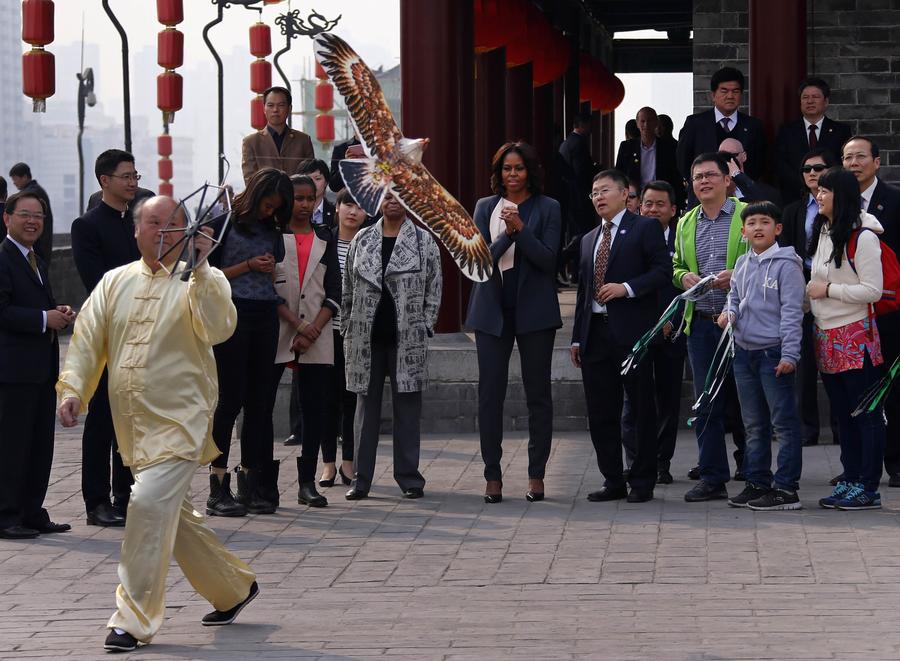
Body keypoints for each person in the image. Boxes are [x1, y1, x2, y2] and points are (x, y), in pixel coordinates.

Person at [56, 195, 259, 653]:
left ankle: (132, 620)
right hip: (134, 426)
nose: (162, 231)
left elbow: (219, 326)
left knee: (145, 505)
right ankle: (233, 588)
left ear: (189, 231)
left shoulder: (201, 281)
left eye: (173, 223)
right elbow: (88, 341)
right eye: (153, 223)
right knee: (171, 515)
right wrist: (73, 390)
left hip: (181, 420)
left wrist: (203, 267)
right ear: (136, 231)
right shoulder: (114, 282)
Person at [465, 142, 562, 504]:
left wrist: (522, 230)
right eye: (506, 168)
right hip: (491, 310)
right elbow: (477, 261)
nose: (513, 174)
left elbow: (548, 260)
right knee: (490, 394)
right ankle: (493, 476)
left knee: (538, 395)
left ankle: (536, 475)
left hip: (535, 311)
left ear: (530, 171)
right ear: (498, 173)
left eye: (519, 168)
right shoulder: (485, 207)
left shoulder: (548, 207)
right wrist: (507, 233)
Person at [571, 169, 671, 504]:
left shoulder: (644, 227)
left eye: (604, 191)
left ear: (625, 193)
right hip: (594, 335)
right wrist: (576, 338)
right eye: (594, 192)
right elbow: (584, 293)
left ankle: (642, 480)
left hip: (632, 334)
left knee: (640, 407)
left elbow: (662, 272)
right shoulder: (588, 239)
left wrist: (626, 288)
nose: (598, 197)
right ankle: (612, 479)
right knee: (600, 411)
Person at [342, 189, 442, 500]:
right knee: (364, 410)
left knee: (408, 409)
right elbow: (347, 285)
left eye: (399, 195)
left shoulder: (424, 241)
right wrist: (347, 323)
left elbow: (434, 286)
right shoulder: (362, 239)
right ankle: (361, 479)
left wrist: (426, 322)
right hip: (365, 337)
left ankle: (409, 478)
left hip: (407, 339)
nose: (393, 200)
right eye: (386, 196)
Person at [207, 168, 293, 517]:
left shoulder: (273, 230)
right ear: (255, 195)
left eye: (275, 209)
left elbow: (276, 272)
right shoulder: (223, 221)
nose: (270, 213)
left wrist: (269, 267)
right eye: (267, 205)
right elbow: (206, 275)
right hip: (232, 314)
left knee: (259, 403)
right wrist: (247, 265)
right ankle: (217, 486)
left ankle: (251, 483)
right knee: (230, 401)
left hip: (265, 314)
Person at [71, 149, 143, 528]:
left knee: (131, 417)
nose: (133, 182)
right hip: (108, 331)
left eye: (135, 175)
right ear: (105, 181)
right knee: (101, 418)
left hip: (142, 332)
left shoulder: (138, 222)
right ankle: (96, 500)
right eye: (126, 176)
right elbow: (96, 282)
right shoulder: (88, 225)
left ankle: (127, 493)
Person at [808, 168, 887, 510]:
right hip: (826, 335)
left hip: (855, 335)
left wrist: (828, 290)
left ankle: (868, 486)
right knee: (842, 414)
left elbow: (872, 290)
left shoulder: (864, 236)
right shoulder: (824, 230)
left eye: (824, 191)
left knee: (865, 413)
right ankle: (851, 478)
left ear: (841, 194)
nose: (818, 196)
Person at [718, 201, 805, 510]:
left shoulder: (787, 265)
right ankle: (757, 483)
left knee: (783, 423)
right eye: (751, 223)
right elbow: (735, 297)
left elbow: (793, 313)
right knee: (753, 424)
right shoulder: (741, 263)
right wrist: (728, 313)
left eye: (764, 222)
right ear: (743, 231)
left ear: (777, 228)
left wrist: (790, 355)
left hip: (774, 354)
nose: (757, 227)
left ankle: (786, 489)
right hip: (743, 353)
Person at [672, 152, 749, 502]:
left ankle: (754, 472)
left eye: (710, 175)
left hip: (743, 322)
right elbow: (674, 264)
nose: (703, 181)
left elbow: (767, 255)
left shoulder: (748, 215)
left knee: (750, 401)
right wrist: (682, 276)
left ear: (726, 179)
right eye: (697, 176)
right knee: (706, 402)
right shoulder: (686, 221)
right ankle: (713, 476)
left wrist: (738, 275)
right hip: (702, 324)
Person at [0, 191, 73, 539]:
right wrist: (45, 319)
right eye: (25, 215)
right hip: (12, 371)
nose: (32, 222)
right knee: (12, 445)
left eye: (39, 217)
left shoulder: (36, 260)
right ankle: (6, 514)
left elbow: (36, 306)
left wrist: (58, 312)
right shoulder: (2, 258)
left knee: (39, 444)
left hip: (41, 369)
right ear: (7, 218)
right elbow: (2, 312)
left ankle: (32, 510)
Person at [266, 175, 340, 508]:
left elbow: (335, 291)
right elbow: (266, 289)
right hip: (279, 330)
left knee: (315, 410)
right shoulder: (272, 237)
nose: (305, 204)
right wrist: (296, 325)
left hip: (318, 333)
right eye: (298, 198)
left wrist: (312, 329)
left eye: (311, 198)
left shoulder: (327, 237)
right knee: (262, 407)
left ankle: (307, 482)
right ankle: (261, 481)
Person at [841, 137, 900, 487]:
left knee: (891, 387)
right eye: (848, 157)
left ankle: (895, 461)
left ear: (877, 162)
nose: (854, 163)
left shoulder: (894, 200)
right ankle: (861, 466)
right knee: (859, 390)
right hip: (850, 311)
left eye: (860, 156)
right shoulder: (835, 204)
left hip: (889, 307)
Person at [621, 181, 687, 485]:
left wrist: (670, 319)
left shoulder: (682, 238)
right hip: (636, 332)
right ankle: (634, 460)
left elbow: (678, 284)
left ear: (673, 210)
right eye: (647, 203)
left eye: (660, 204)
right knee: (632, 399)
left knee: (667, 399)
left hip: (673, 329)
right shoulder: (628, 237)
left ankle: (661, 461)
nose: (652, 209)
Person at [779, 148, 837, 447]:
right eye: (806, 169)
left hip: (834, 291)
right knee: (802, 364)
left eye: (818, 167)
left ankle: (840, 429)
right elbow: (787, 251)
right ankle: (806, 428)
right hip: (802, 289)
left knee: (837, 360)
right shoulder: (792, 211)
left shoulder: (841, 207)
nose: (812, 173)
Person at [319, 188, 367, 488]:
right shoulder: (324, 241)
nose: (353, 211)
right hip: (325, 331)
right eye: (348, 204)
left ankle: (349, 462)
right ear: (336, 207)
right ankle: (327, 464)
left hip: (357, 333)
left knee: (351, 399)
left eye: (360, 207)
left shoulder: (369, 242)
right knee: (326, 401)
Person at [676, 67, 767, 183]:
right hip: (704, 193)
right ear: (713, 95)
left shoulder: (754, 126)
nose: (730, 96)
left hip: (744, 195)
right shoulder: (695, 124)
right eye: (724, 91)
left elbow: (760, 163)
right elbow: (683, 162)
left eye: (735, 91)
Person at [774, 77, 851, 204]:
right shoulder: (786, 131)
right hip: (795, 197)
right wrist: (806, 183)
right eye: (805, 97)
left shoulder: (841, 131)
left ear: (826, 101)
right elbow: (780, 164)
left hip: (831, 195)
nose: (810, 101)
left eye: (815, 97)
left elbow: (841, 163)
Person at [614, 107, 684, 209]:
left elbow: (676, 178)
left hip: (661, 198)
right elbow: (619, 175)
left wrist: (677, 207)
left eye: (650, 121)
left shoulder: (669, 147)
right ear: (637, 124)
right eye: (642, 121)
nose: (646, 125)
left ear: (656, 122)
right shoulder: (627, 147)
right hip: (634, 201)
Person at [241, 86, 314, 184]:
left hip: (296, 197)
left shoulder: (303, 140)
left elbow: (310, 176)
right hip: (264, 198)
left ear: (289, 108)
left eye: (281, 105)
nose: (275, 110)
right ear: (264, 109)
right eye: (270, 105)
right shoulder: (251, 142)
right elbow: (250, 181)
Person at [8, 162, 53, 264]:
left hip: (37, 248)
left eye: (15, 179)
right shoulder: (36, 190)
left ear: (24, 177)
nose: (14, 183)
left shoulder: (31, 194)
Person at [719, 138, 782, 205]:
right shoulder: (712, 189)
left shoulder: (769, 193)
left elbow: (764, 206)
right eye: (723, 156)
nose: (728, 161)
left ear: (744, 156)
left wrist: (738, 175)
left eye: (733, 155)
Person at [298, 158, 335, 227]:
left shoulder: (335, 213)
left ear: (326, 182)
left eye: (317, 179)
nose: (313, 183)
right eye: (308, 178)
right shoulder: (292, 211)